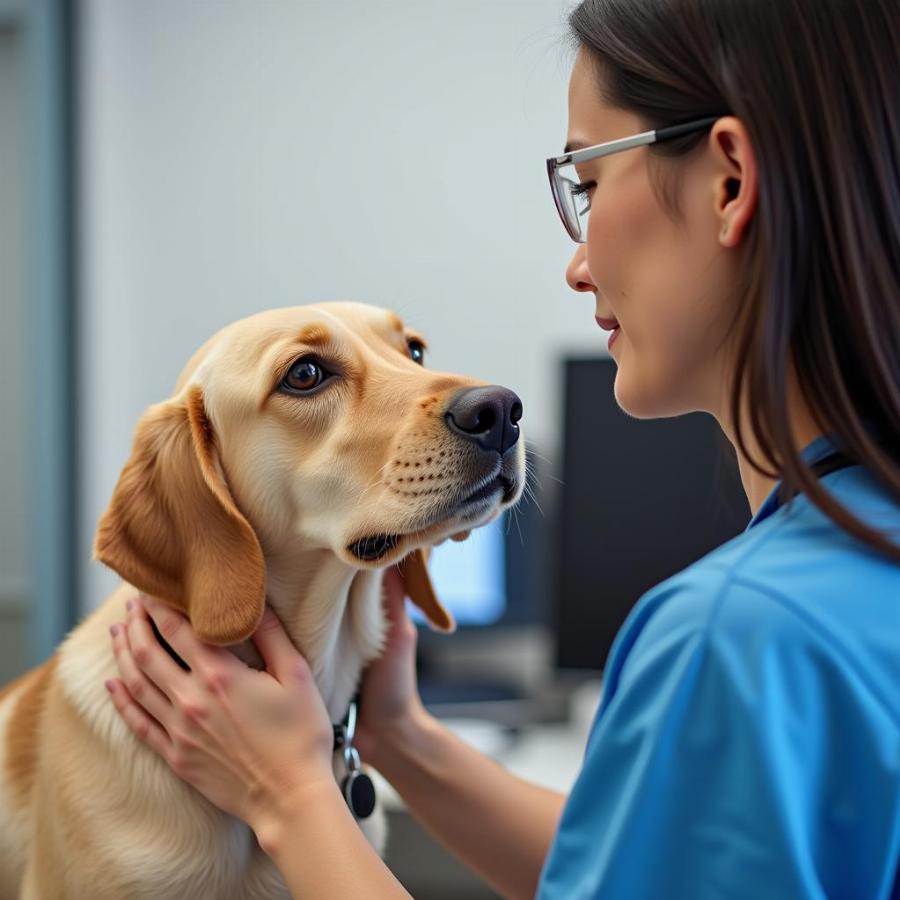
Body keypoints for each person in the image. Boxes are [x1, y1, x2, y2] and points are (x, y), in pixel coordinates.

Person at [104, 0, 900, 896]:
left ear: (728, 182)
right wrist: (400, 734)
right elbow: (653, 858)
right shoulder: (862, 566)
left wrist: (287, 792)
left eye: (589, 184)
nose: (577, 261)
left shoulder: (738, 638)